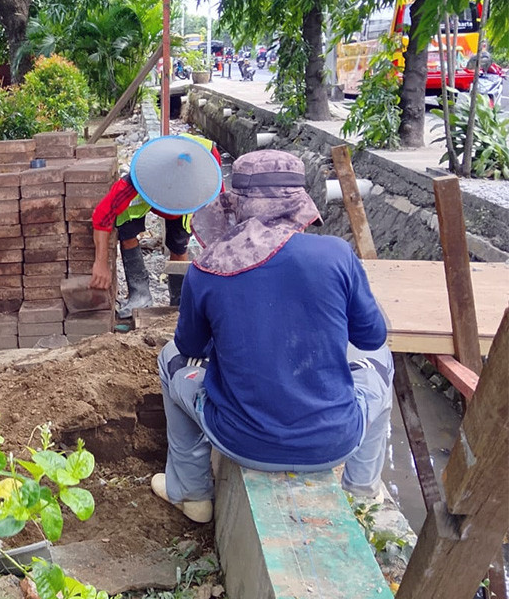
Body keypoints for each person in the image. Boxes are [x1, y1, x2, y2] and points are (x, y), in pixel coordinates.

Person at [151, 150, 393, 524]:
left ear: (237, 204)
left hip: (238, 439)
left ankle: (192, 493)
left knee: (170, 360)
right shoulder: (336, 254)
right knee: (383, 360)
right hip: (336, 440)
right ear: (298, 201)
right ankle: (361, 490)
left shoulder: (208, 266)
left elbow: (191, 348)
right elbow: (372, 336)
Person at [90, 134, 221, 317]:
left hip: (187, 198)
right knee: (126, 229)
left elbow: (220, 215)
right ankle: (140, 295)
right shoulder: (135, 182)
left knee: (179, 242)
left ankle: (180, 300)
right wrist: (101, 263)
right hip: (145, 194)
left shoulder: (207, 161)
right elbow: (101, 217)